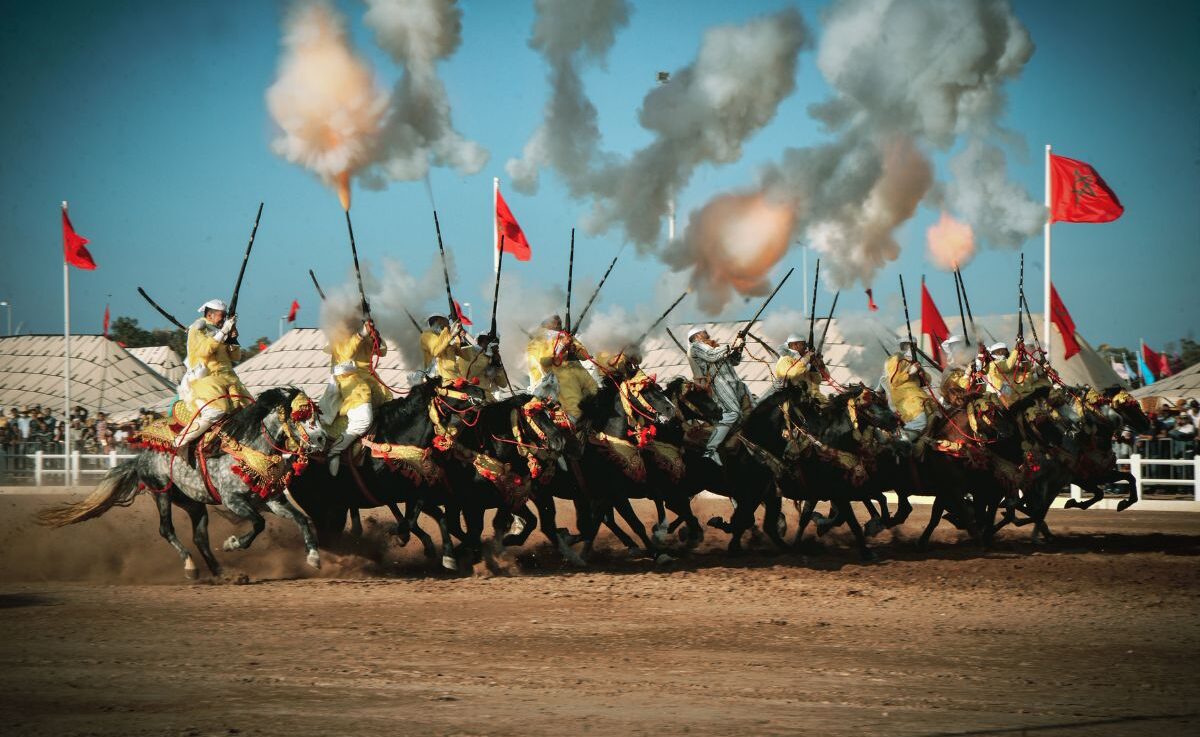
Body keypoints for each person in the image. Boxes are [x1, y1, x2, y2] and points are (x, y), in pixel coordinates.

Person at [175, 299, 253, 449]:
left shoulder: (220, 330)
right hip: (208, 378)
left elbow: (235, 357)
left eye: (225, 316)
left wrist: (232, 338)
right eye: (221, 316)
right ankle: (180, 442)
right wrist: (223, 332)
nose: (224, 319)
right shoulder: (198, 328)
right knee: (217, 410)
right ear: (210, 315)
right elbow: (204, 351)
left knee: (252, 411)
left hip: (230, 378)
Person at [321, 315, 393, 476]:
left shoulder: (365, 330)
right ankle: (335, 451)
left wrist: (376, 336)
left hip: (371, 380)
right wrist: (361, 335)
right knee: (363, 419)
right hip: (349, 380)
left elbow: (382, 352)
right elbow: (345, 355)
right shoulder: (338, 333)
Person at [687, 327, 750, 465]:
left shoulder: (714, 347)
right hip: (719, 384)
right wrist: (732, 345)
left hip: (735, 383)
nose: (707, 333)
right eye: (704, 332)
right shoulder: (696, 347)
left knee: (749, 411)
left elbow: (734, 361)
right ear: (697, 336)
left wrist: (739, 348)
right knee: (732, 413)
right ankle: (710, 450)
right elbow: (712, 355)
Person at [526, 315, 598, 424]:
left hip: (579, 380)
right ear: (545, 323)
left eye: (558, 319)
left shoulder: (566, 336)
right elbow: (544, 363)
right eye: (553, 319)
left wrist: (573, 348)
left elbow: (584, 356)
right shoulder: (536, 341)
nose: (558, 319)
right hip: (550, 385)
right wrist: (561, 346)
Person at [882, 340, 932, 441]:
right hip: (909, 403)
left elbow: (927, 381)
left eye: (910, 345)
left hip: (922, 398)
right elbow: (894, 380)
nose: (908, 347)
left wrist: (919, 371)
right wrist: (910, 372)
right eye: (905, 345)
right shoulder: (895, 360)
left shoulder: (910, 363)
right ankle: (903, 443)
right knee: (920, 422)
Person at [458, 332, 509, 401]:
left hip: (488, 398)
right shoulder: (466, 351)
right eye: (492, 343)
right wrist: (486, 357)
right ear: (484, 341)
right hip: (473, 396)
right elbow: (468, 375)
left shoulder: (490, 358)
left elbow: (503, 384)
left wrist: (498, 366)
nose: (495, 347)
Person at [420, 314, 466, 383]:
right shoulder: (427, 335)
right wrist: (452, 335)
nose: (448, 326)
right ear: (438, 321)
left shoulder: (443, 338)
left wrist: (458, 336)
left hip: (450, 376)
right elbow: (436, 350)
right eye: (446, 323)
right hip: (436, 377)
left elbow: (458, 352)